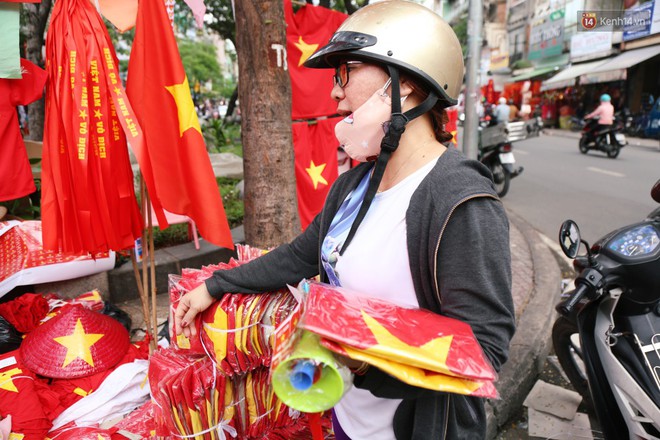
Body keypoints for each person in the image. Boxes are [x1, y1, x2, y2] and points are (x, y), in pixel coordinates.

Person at [174, 1, 515, 439]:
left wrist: (364, 364)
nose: (335, 93)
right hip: (348, 418)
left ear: (405, 83)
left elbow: (483, 349)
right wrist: (215, 285)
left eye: (345, 73)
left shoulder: (460, 203)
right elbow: (300, 255)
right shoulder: (355, 185)